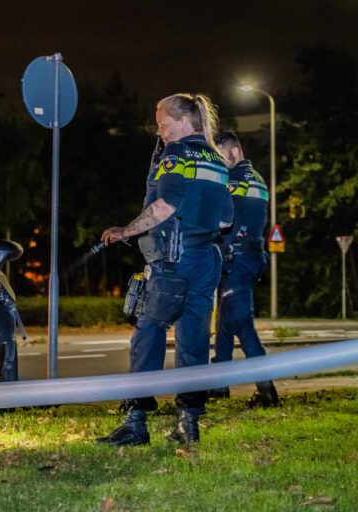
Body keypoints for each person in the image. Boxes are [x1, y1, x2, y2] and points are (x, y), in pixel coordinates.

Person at [97, 93, 233, 445]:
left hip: (174, 259)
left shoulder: (178, 152)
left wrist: (124, 231)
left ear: (184, 122)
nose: (159, 133)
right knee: (194, 338)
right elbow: (225, 218)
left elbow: (164, 206)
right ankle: (188, 422)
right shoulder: (217, 160)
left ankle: (136, 420)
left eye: (163, 124)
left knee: (149, 333)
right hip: (207, 260)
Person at [209, 131, 278, 406]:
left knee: (241, 324)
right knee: (225, 325)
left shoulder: (234, 179)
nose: (217, 163)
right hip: (248, 257)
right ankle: (218, 385)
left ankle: (266, 390)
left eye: (220, 156)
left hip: (237, 260)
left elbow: (220, 217)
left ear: (234, 152)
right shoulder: (257, 178)